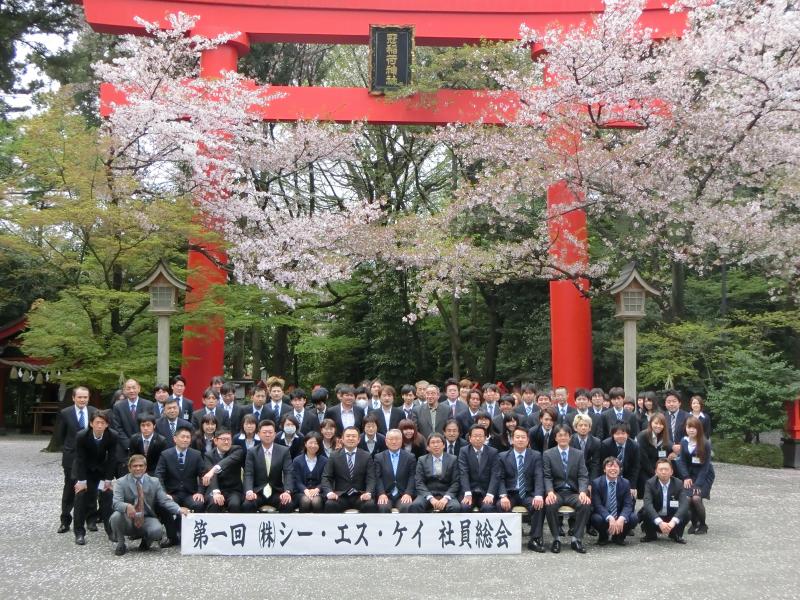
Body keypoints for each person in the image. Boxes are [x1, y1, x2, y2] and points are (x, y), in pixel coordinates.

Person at [110, 454, 189, 555]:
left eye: (141, 466)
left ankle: (146, 541)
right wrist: (126, 506)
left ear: (145, 467)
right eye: (134, 466)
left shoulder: (154, 481)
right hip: (127, 518)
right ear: (129, 468)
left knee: (157, 531)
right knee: (116, 516)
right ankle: (121, 544)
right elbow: (116, 503)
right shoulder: (121, 482)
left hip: (146, 518)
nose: (138, 468)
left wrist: (178, 509)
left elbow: (164, 500)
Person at [543, 424, 591, 554]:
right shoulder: (548, 454)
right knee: (550, 504)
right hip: (557, 492)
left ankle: (576, 539)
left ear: (570, 437)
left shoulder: (578, 454)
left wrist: (582, 492)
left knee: (585, 503)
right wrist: (550, 492)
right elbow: (547, 476)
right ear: (555, 438)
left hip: (573, 492)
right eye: (560, 435)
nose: (563, 438)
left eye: (565, 435)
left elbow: (583, 475)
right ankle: (556, 538)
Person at [496, 428, 546, 552]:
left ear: (528, 440)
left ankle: (535, 539)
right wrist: (503, 496)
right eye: (517, 437)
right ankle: (506, 539)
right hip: (510, 493)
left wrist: (538, 495)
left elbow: (538, 476)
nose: (520, 440)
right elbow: (500, 478)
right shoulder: (503, 456)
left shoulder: (535, 455)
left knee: (539, 505)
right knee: (501, 505)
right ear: (512, 440)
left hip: (527, 493)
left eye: (523, 437)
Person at [155, 425, 205, 546]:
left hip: (190, 493)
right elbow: (159, 475)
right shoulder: (165, 454)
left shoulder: (196, 454)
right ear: (175, 439)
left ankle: (191, 535)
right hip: (172, 493)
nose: (185, 439)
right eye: (182, 437)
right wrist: (164, 493)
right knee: (163, 505)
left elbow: (203, 475)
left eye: (188, 437)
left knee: (199, 504)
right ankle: (172, 536)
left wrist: (200, 492)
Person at [72, 411, 117, 545]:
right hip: (85, 471)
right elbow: (80, 459)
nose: (99, 425)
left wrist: (108, 479)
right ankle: (79, 533)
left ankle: (111, 531)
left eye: (103, 423)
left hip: (102, 471)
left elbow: (112, 458)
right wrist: (82, 481)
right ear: (91, 424)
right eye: (97, 422)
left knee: (107, 496)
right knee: (81, 496)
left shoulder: (112, 435)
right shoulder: (82, 436)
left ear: (107, 424)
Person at [56, 386, 97, 534]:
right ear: (73, 398)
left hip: (91, 456)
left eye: (85, 397)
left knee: (91, 489)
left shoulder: (94, 412)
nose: (82, 400)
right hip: (71, 456)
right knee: (69, 489)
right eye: (79, 397)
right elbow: (61, 435)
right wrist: (69, 449)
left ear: (88, 398)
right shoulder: (65, 413)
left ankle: (91, 520)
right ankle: (65, 520)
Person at [321, 426, 377, 513]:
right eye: (348, 436)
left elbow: (371, 478)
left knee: (370, 504)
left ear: (358, 440)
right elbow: (326, 477)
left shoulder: (366, 456)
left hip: (360, 495)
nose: (351, 438)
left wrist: (369, 492)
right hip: (340, 496)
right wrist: (329, 492)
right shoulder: (334, 456)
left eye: (354, 436)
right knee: (330, 504)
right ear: (342, 439)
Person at [242, 420, 294, 512]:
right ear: (258, 434)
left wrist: (287, 491)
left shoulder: (284, 451)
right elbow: (249, 473)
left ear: (275, 434)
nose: (267, 435)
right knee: (247, 504)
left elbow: (288, 472)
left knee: (287, 503)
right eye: (264, 432)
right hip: (257, 492)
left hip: (276, 491)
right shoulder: (252, 452)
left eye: (270, 432)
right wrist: (249, 491)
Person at [675, 416, 715, 535]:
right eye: (689, 427)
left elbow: (705, 466)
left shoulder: (705, 443)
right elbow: (681, 461)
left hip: (704, 475)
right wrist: (686, 477)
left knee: (696, 498)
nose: (691, 430)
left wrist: (698, 484)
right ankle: (694, 523)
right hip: (690, 474)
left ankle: (703, 525)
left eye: (694, 428)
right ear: (686, 428)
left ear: (699, 429)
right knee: (688, 498)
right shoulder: (684, 441)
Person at [590, 457, 639, 546]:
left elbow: (628, 505)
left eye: (616, 466)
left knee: (633, 518)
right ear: (604, 469)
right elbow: (597, 505)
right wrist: (609, 517)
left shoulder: (625, 483)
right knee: (595, 518)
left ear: (620, 470)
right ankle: (603, 536)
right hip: (604, 515)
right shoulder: (596, 483)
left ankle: (619, 537)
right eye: (609, 466)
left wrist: (621, 518)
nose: (613, 469)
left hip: (618, 514)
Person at [639, 458, 689, 544]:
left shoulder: (678, 483)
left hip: (671, 517)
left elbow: (684, 504)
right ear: (656, 471)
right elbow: (647, 504)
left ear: (671, 472)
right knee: (645, 512)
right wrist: (660, 522)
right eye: (661, 469)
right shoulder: (650, 483)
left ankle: (675, 534)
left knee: (687, 513)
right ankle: (650, 535)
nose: (663, 472)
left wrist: (673, 522)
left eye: (666, 469)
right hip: (656, 517)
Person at [408, 433, 461, 513]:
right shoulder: (422, 460)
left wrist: (446, 498)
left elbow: (456, 482)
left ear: (444, 445)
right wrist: (430, 498)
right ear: (428, 447)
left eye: (438, 442)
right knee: (416, 505)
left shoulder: (452, 459)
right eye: (432, 442)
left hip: (446, 493)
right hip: (428, 493)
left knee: (455, 507)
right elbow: (419, 482)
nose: (436, 445)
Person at [110, 379, 154, 475]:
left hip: (144, 448)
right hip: (124, 450)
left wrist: (139, 444)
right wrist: (129, 445)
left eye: (134, 388)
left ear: (139, 388)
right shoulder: (118, 406)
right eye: (128, 388)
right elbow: (117, 427)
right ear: (124, 390)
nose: (131, 391)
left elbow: (150, 425)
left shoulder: (148, 405)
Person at [201, 429, 245, 513]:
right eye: (223, 439)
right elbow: (212, 476)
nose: (226, 442)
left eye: (229, 439)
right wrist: (216, 492)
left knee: (234, 504)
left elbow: (229, 460)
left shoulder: (237, 450)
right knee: (214, 502)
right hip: (216, 488)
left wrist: (213, 470)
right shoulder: (209, 455)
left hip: (233, 490)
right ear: (215, 441)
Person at [458, 424, 499, 512]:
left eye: (480, 436)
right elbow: (463, 473)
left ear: (485, 438)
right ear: (470, 438)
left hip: (486, 491)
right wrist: (467, 493)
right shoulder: (464, 451)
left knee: (488, 507)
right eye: (475, 436)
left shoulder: (493, 452)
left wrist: (490, 494)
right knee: (464, 507)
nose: (477, 438)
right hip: (469, 490)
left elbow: (495, 475)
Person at [374, 429, 417, 513]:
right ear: (386, 441)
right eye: (391, 439)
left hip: (403, 494)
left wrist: (408, 493)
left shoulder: (410, 457)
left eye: (397, 439)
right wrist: (381, 493)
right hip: (386, 494)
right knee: (383, 507)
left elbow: (412, 477)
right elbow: (377, 477)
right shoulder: (379, 457)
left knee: (406, 506)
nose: (394, 442)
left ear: (402, 440)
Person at [636, 412, 671, 499]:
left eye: (661, 424)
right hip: (644, 471)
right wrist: (655, 473)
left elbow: (668, 450)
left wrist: (673, 452)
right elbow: (643, 459)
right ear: (650, 423)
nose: (658, 426)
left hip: (659, 470)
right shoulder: (642, 436)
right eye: (656, 423)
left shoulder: (664, 437)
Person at [599, 423, 640, 497]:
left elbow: (635, 467)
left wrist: (632, 486)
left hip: (627, 477)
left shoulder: (634, 446)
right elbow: (602, 465)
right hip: (610, 475)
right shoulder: (606, 445)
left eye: (623, 433)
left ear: (628, 434)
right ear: (613, 435)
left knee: (630, 498)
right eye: (617, 434)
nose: (620, 436)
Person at [292, 432, 328, 512]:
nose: (313, 445)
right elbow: (296, 480)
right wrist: (305, 490)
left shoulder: (324, 461)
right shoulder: (297, 460)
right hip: (301, 492)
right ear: (305, 443)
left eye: (316, 443)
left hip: (319, 492)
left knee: (316, 501)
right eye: (311, 443)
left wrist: (317, 489)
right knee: (305, 500)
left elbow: (325, 479)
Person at [570, 414, 601, 481]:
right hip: (573, 475)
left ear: (590, 428)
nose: (583, 428)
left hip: (589, 474)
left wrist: (592, 482)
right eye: (580, 425)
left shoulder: (596, 442)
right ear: (575, 428)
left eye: (586, 425)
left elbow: (595, 465)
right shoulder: (570, 440)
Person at [664, 390, 690, 455]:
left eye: (674, 401)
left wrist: (680, 446)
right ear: (665, 404)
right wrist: (672, 446)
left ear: (679, 403)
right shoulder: (662, 417)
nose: (671, 404)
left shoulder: (688, 417)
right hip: (666, 452)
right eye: (668, 402)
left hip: (684, 451)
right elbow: (661, 435)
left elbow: (692, 434)